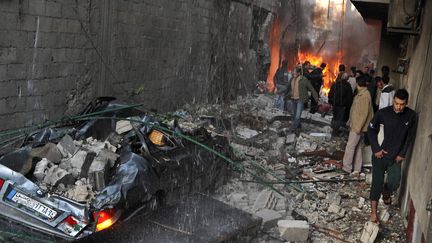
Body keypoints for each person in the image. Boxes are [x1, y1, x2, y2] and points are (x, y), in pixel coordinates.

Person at [367, 89, 416, 223]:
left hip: (395, 158)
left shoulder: (411, 116)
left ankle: (387, 192)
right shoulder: (383, 113)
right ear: (393, 100)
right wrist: (376, 149)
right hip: (379, 156)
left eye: (402, 104)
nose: (398, 107)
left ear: (407, 103)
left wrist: (402, 154)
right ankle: (373, 213)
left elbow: (409, 138)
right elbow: (371, 130)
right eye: (396, 103)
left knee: (395, 182)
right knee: (376, 184)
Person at [342, 75, 374, 176]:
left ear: (358, 84)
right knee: (359, 147)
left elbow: (364, 114)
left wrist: (357, 128)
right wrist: (349, 121)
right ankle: (357, 169)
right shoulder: (362, 94)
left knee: (350, 147)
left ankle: (346, 168)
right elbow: (355, 110)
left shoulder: (364, 96)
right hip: (356, 125)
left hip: (357, 126)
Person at [285, 66, 319, 132]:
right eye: (293, 72)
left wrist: (316, 98)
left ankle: (293, 129)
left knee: (297, 116)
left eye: (294, 72)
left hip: (300, 100)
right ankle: (298, 126)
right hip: (293, 99)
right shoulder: (292, 79)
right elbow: (288, 87)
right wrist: (285, 95)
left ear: (299, 73)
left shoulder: (304, 79)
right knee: (294, 115)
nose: (293, 73)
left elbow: (311, 88)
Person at [328, 72, 353, 137]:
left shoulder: (335, 84)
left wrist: (331, 102)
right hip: (342, 106)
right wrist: (348, 106)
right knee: (339, 119)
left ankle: (333, 129)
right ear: (347, 78)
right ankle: (335, 132)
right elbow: (349, 97)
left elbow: (330, 94)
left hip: (335, 104)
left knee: (335, 117)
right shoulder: (348, 86)